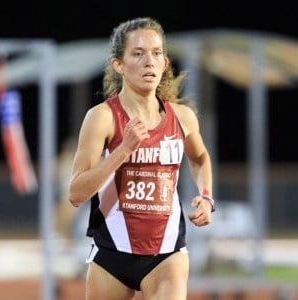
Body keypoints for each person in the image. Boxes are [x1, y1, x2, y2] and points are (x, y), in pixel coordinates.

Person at [68, 17, 215, 300]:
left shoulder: (182, 117)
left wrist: (206, 196)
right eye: (138, 53)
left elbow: (200, 157)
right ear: (118, 65)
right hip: (112, 253)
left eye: (156, 53)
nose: (149, 61)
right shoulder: (102, 118)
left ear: (165, 63)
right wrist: (123, 151)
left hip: (166, 253)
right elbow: (76, 193)